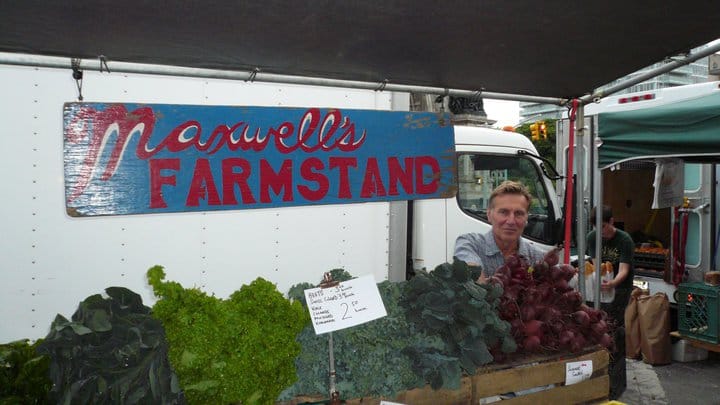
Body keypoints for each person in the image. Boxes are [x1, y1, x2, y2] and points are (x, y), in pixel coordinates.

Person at [454, 180, 544, 281]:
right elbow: (470, 270)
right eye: (504, 212)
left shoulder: (538, 257)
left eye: (518, 213)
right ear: (489, 215)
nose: (511, 221)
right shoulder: (470, 244)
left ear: (527, 218)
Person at [586, 205, 634, 327]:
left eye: (603, 226)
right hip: (602, 286)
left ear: (611, 221)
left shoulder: (625, 240)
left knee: (615, 323)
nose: (600, 231)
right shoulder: (592, 237)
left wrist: (613, 283)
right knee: (599, 322)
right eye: (597, 227)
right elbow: (597, 266)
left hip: (621, 288)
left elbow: (624, 270)